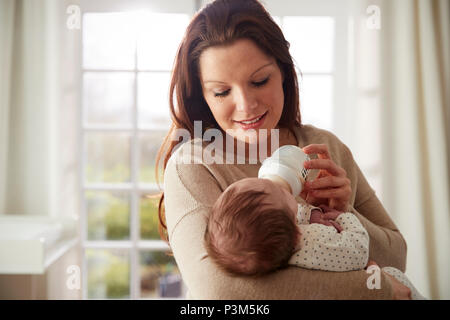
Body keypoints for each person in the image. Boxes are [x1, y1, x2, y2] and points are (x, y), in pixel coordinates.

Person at [156, 0, 410, 299]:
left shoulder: (324, 147)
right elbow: (220, 291)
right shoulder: (194, 164)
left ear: (284, 73)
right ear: (203, 96)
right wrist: (375, 289)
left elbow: (397, 257)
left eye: (260, 80)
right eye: (222, 91)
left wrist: (345, 210)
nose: (246, 105)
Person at [202, 151, 426, 299]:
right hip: (384, 283)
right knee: (393, 275)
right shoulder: (312, 244)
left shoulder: (271, 245)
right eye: (282, 192)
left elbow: (398, 252)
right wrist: (343, 215)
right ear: (297, 235)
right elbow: (358, 250)